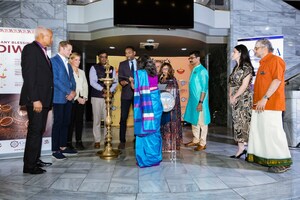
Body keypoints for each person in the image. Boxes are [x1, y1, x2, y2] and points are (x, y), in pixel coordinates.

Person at [247, 38, 293, 173]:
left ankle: (282, 162)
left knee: (274, 133)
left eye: (256, 48)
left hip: (271, 105)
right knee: (262, 133)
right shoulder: (262, 64)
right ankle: (266, 158)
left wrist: (265, 98)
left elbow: (277, 80)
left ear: (264, 48)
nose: (254, 51)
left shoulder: (276, 60)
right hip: (260, 106)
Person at [20, 27, 53, 174]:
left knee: (38, 131)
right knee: (34, 131)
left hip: (43, 100)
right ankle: (29, 166)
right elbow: (29, 76)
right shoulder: (30, 49)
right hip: (37, 100)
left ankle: (35, 159)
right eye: (50, 37)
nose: (51, 40)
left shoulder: (42, 51)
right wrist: (35, 99)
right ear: (42, 36)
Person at [134, 54, 163, 167]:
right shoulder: (154, 74)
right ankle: (154, 157)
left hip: (146, 105)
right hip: (156, 104)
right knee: (155, 130)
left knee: (145, 130)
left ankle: (145, 159)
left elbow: (136, 89)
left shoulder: (139, 74)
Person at [51, 41, 77, 160]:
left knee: (66, 122)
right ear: (61, 48)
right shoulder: (54, 61)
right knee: (58, 123)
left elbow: (72, 80)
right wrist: (68, 92)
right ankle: (55, 149)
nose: (70, 52)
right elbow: (55, 80)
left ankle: (62, 146)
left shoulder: (67, 63)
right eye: (69, 50)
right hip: (59, 97)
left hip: (69, 98)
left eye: (71, 50)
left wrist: (73, 92)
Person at [228, 44, 255, 158]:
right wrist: (230, 96)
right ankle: (240, 149)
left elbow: (244, 85)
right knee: (237, 123)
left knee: (245, 123)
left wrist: (235, 97)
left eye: (234, 52)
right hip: (235, 99)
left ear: (240, 53)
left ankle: (249, 150)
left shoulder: (246, 67)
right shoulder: (236, 68)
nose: (232, 54)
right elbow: (231, 84)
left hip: (244, 99)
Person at [89, 51, 117, 149]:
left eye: (105, 57)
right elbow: (92, 82)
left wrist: (109, 91)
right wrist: (103, 89)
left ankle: (106, 139)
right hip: (97, 97)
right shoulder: (94, 68)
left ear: (107, 58)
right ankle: (97, 140)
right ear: (99, 58)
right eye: (101, 57)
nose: (103, 59)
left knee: (107, 119)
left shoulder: (112, 68)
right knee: (96, 120)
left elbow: (115, 82)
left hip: (108, 97)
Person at [184, 50, 211, 151]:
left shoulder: (202, 71)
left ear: (198, 58)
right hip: (193, 101)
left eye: (192, 57)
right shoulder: (194, 69)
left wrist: (200, 102)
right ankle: (196, 140)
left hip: (200, 101)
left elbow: (204, 88)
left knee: (202, 122)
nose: (190, 60)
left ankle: (203, 143)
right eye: (189, 58)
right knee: (194, 120)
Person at [158, 62, 183, 151]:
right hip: (162, 105)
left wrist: (162, 87)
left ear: (170, 70)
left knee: (171, 124)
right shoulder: (160, 78)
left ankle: (172, 144)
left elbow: (173, 91)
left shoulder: (172, 79)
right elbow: (158, 90)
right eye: (163, 69)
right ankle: (163, 144)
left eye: (166, 69)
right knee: (163, 125)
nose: (164, 71)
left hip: (171, 106)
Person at [67, 52, 88, 150]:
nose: (78, 62)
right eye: (76, 60)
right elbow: (68, 86)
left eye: (79, 60)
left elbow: (85, 85)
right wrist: (77, 98)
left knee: (79, 121)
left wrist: (85, 98)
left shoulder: (82, 72)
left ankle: (79, 141)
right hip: (72, 99)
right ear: (71, 60)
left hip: (81, 100)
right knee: (70, 121)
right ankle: (68, 142)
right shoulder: (67, 71)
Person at [118, 46, 136, 149]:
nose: (127, 54)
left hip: (138, 94)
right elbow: (120, 78)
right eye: (126, 53)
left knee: (137, 117)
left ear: (134, 53)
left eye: (129, 52)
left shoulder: (140, 64)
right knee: (123, 117)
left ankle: (137, 138)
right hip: (126, 95)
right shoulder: (122, 64)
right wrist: (122, 82)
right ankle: (122, 140)